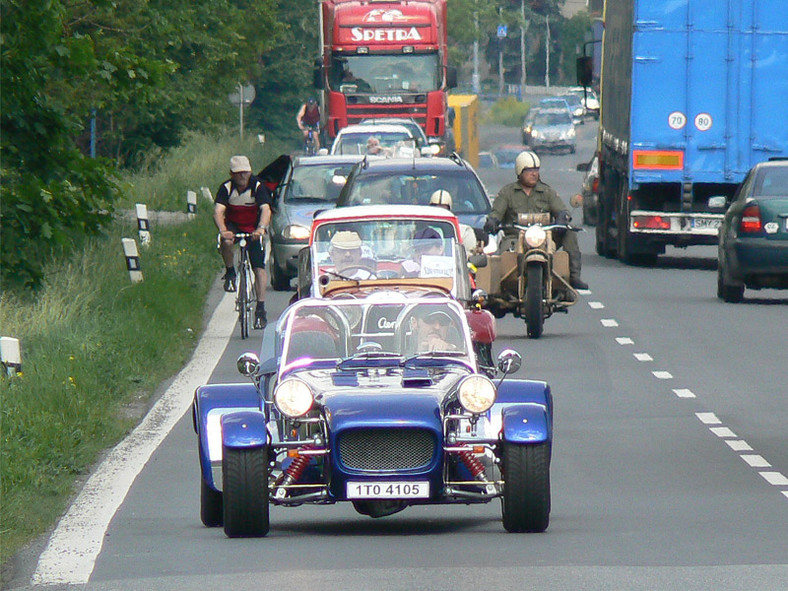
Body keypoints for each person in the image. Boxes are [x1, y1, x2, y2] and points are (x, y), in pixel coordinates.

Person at [484, 150, 589, 289]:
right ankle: (501, 286)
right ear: (520, 171)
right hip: (515, 237)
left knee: (569, 233)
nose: (534, 174)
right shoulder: (507, 192)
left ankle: (574, 277)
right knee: (503, 262)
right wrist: (492, 221)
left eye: (536, 170)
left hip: (543, 237)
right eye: (529, 170)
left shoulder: (546, 191)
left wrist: (562, 219)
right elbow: (496, 212)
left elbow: (562, 210)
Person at [214, 155, 273, 329]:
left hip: (253, 228)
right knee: (226, 243)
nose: (242, 177)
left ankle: (260, 309)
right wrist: (223, 230)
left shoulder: (258, 187)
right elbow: (218, 211)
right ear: (231, 174)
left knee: (259, 269)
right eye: (239, 173)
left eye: (245, 172)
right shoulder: (226, 188)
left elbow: (265, 209)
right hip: (233, 226)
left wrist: (261, 228)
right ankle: (230, 272)